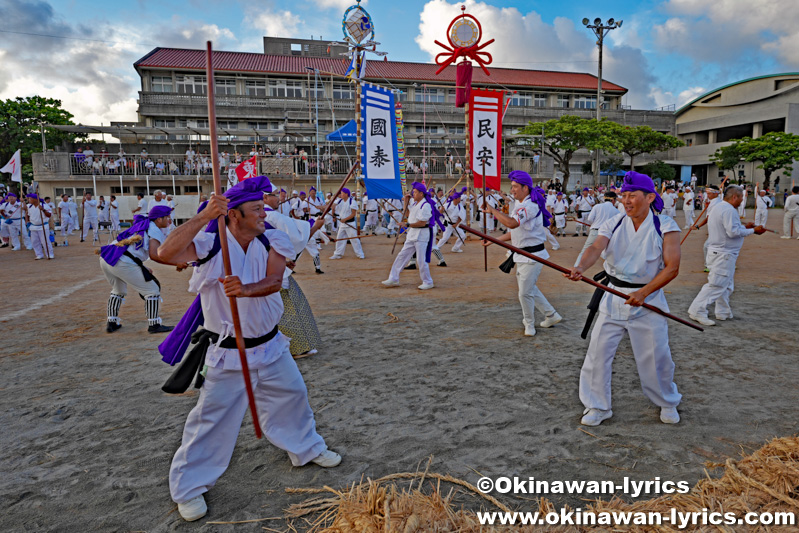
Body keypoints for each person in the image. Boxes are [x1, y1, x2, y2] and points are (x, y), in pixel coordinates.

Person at [156, 177, 341, 522]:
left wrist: (245, 289)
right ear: (234, 215)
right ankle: (189, 487)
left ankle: (305, 447)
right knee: (212, 420)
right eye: (257, 209)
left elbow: (273, 282)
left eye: (264, 207)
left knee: (293, 395)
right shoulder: (211, 244)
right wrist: (203, 216)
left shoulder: (272, 237)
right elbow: (165, 254)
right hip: (229, 351)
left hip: (271, 345)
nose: (264, 213)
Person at [566, 171, 682, 426]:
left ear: (650, 197)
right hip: (612, 297)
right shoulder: (614, 223)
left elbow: (672, 267)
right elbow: (596, 247)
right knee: (597, 355)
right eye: (623, 196)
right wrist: (580, 267)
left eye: (632, 195)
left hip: (648, 299)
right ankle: (597, 406)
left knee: (656, 357)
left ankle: (667, 401)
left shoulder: (666, 226)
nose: (626, 201)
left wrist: (643, 293)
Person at [480, 171, 561, 336]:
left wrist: (492, 210)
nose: (512, 190)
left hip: (532, 256)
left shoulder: (528, 206)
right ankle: (551, 315)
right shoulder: (520, 204)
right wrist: (494, 240)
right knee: (529, 288)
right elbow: (515, 232)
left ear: (525, 187)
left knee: (524, 292)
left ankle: (529, 324)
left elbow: (512, 224)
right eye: (512, 187)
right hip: (521, 254)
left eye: (515, 187)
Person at [688, 186, 767, 325]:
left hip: (721, 252)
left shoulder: (719, 207)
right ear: (735, 197)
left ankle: (723, 311)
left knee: (726, 284)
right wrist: (753, 230)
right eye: (741, 197)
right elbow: (733, 233)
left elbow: (731, 229)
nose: (742, 200)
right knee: (717, 284)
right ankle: (697, 310)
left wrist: (746, 228)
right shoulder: (728, 210)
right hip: (723, 253)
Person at [98, 206, 176, 334]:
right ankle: (154, 324)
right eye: (167, 217)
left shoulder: (144, 225)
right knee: (152, 290)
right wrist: (177, 263)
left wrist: (142, 266)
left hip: (107, 257)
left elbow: (131, 250)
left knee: (118, 290)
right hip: (121, 260)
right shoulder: (154, 230)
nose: (170, 220)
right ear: (158, 219)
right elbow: (154, 255)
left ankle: (111, 322)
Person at [382, 182, 443, 290]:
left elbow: (422, 223)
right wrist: (405, 201)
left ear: (421, 193)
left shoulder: (426, 205)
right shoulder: (415, 204)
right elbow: (407, 214)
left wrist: (407, 224)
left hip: (421, 235)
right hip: (412, 234)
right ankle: (393, 278)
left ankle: (428, 281)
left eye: (415, 192)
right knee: (401, 256)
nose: (413, 194)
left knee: (421, 260)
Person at [575, 191, 620, 266]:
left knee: (584, 251)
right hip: (607, 234)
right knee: (609, 253)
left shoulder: (597, 206)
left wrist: (596, 223)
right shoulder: (616, 211)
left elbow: (590, 219)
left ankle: (575, 268)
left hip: (595, 232)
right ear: (613, 200)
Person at [691, 184, 722, 270]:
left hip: (717, 230)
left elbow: (708, 218)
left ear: (716, 194)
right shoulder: (714, 202)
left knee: (707, 246)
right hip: (714, 230)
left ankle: (709, 265)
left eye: (709, 194)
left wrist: (697, 226)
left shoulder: (716, 203)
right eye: (707, 194)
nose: (707, 196)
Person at [329, 188, 364, 260]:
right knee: (339, 239)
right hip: (342, 224)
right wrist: (321, 207)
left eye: (342, 193)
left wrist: (345, 219)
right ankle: (338, 254)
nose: (341, 195)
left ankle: (360, 254)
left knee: (354, 239)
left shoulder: (352, 201)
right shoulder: (339, 201)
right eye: (341, 193)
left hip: (350, 224)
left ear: (346, 194)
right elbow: (331, 206)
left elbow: (353, 214)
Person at [26, 194, 54, 260]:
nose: (29, 200)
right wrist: (27, 221)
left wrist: (43, 210)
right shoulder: (29, 206)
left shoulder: (44, 205)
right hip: (33, 226)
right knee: (34, 241)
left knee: (45, 241)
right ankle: (39, 254)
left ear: (35, 199)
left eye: (30, 199)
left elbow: (49, 215)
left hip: (43, 226)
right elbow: (28, 215)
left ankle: (50, 254)